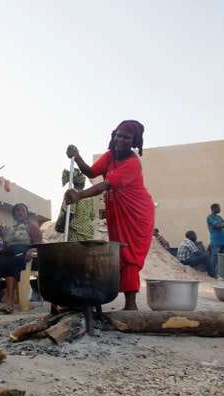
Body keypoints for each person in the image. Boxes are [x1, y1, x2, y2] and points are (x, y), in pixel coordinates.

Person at [64, 120, 155, 310]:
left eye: (126, 137)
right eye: (118, 135)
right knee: (119, 253)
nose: (120, 140)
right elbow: (91, 171)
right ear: (113, 135)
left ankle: (131, 305)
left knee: (129, 255)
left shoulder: (132, 164)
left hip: (136, 214)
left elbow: (105, 185)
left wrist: (79, 195)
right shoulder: (110, 156)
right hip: (118, 211)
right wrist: (78, 156)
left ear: (134, 142)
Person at [55, 168, 94, 241]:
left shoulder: (72, 193)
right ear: (82, 183)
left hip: (75, 231)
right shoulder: (89, 197)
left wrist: (61, 226)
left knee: (74, 251)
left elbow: (70, 212)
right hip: (88, 232)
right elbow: (92, 216)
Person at [207, 203, 224, 275]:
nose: (220, 209)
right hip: (215, 240)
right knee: (214, 257)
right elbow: (217, 225)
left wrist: (220, 225)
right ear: (213, 209)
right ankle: (211, 273)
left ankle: (223, 273)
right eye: (218, 208)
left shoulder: (219, 217)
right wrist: (221, 224)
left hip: (223, 240)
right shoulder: (210, 217)